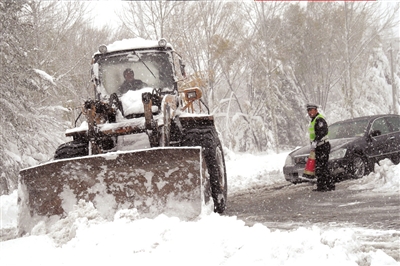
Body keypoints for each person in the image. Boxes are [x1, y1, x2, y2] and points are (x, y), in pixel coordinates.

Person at [306, 103, 335, 192]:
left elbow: (323, 131)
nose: (310, 112)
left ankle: (328, 185)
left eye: (311, 110)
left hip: (323, 145)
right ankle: (322, 185)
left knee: (322, 166)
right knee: (319, 166)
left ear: (316, 110)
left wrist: (316, 141)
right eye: (308, 110)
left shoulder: (319, 119)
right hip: (318, 146)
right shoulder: (313, 120)